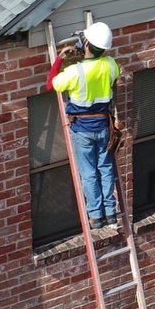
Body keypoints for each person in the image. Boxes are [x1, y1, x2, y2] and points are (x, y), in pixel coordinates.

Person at [46, 22, 121, 229]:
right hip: (104, 127)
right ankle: (111, 213)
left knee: (88, 173)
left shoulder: (74, 71)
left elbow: (51, 84)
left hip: (82, 129)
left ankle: (96, 217)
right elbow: (113, 72)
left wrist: (61, 57)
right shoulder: (110, 65)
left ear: (86, 43)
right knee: (105, 169)